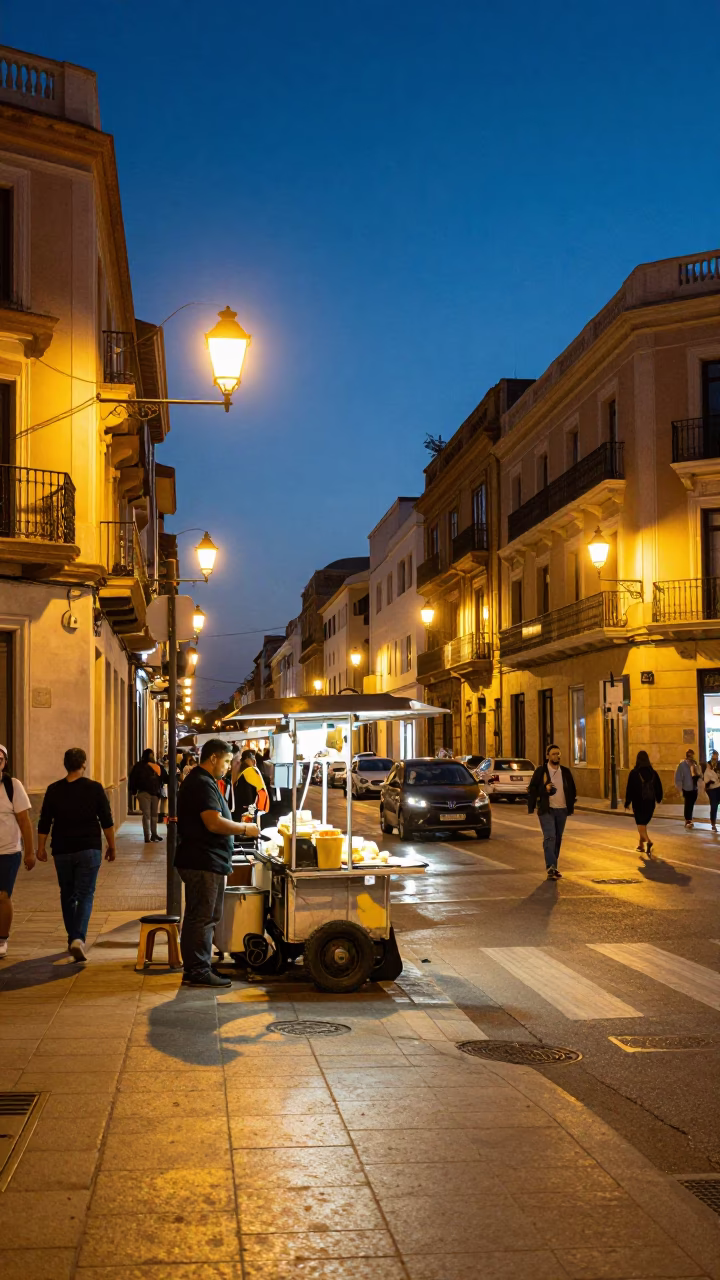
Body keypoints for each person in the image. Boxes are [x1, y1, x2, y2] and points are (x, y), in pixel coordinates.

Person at [175, 738, 259, 988]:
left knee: (200, 915)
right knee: (203, 916)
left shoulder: (205, 781)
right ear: (213, 758)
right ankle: (198, 970)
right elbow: (213, 822)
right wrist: (245, 828)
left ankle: (197, 966)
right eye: (225, 761)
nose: (227, 766)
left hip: (204, 859)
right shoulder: (201, 783)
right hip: (202, 861)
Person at [37, 748, 116, 962]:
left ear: (65, 765)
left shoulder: (53, 790)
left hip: (62, 849)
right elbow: (106, 820)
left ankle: (72, 936)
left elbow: (44, 821)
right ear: (84, 764)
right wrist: (112, 845)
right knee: (85, 894)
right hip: (89, 848)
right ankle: (78, 938)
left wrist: (40, 847)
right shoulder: (94, 788)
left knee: (67, 894)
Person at [0, 744, 35, 958]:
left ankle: (2, 939)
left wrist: (30, 852)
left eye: (0, 759)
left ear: (5, 763)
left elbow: (24, 820)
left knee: (3, 896)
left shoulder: (12, 786)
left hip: (8, 852)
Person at [527, 743, 577, 880]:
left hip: (562, 810)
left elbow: (572, 789)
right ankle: (550, 866)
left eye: (558, 754)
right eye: (553, 754)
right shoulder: (541, 771)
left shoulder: (565, 772)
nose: (556, 756)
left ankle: (554, 866)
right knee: (550, 837)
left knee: (558, 838)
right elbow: (531, 789)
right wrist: (545, 789)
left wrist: (570, 805)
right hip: (546, 809)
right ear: (548, 756)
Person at [624, 750, 663, 857]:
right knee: (643, 824)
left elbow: (629, 789)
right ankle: (640, 845)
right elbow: (658, 787)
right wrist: (659, 798)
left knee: (640, 824)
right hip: (650, 803)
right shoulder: (653, 773)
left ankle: (648, 841)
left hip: (638, 802)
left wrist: (627, 802)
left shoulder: (634, 773)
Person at [128, 749, 167, 844]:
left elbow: (165, 778)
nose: (152, 756)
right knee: (147, 815)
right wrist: (133, 790)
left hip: (154, 793)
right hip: (144, 793)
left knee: (153, 815)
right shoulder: (140, 766)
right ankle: (147, 836)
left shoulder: (156, 766)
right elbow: (132, 779)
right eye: (151, 755)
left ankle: (153, 834)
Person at [230, 748, 268, 820]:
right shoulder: (249, 772)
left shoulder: (243, 772)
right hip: (247, 811)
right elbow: (248, 795)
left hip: (243, 811)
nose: (254, 761)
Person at [675, 748, 702, 828]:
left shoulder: (695, 764)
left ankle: (689, 818)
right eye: (689, 755)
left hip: (694, 787)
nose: (691, 757)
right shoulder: (682, 765)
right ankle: (688, 820)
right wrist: (679, 788)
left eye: (692, 755)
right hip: (686, 787)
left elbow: (700, 775)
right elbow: (678, 777)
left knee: (691, 803)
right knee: (688, 803)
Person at [704, 751, 720, 832]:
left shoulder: (719, 764)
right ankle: (713, 823)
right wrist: (710, 782)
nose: (715, 759)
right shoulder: (708, 765)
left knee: (715, 805)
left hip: (719, 787)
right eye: (714, 757)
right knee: (714, 805)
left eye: (716, 757)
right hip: (712, 789)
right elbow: (706, 778)